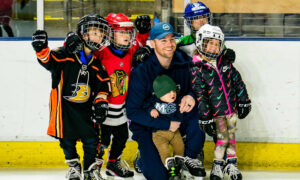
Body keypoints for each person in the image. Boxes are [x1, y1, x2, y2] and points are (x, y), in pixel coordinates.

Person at [31, 14, 111, 180]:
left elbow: (103, 86)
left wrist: (101, 103)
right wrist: (41, 49)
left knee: (91, 141)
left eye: (101, 34)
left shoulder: (96, 65)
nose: (99, 37)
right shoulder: (64, 55)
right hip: (64, 111)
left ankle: (90, 169)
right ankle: (74, 167)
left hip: (86, 111)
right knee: (66, 142)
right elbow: (48, 61)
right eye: (95, 32)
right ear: (83, 34)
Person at [126, 22, 206, 180]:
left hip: (177, 117)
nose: (169, 44)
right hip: (151, 126)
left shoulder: (185, 62)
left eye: (171, 39)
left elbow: (199, 87)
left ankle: (189, 157)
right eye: (163, 40)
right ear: (152, 43)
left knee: (202, 110)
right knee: (159, 176)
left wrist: (191, 95)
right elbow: (133, 112)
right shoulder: (142, 71)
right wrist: (165, 125)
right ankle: (144, 159)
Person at [190, 24, 251, 180]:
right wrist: (205, 116)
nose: (213, 48)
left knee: (231, 139)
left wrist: (244, 100)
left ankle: (231, 164)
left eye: (217, 44)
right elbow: (200, 95)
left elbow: (238, 82)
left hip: (231, 111)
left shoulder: (225, 63)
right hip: (217, 113)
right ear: (200, 43)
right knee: (222, 140)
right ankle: (217, 166)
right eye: (209, 43)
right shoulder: (198, 68)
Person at [147, 75, 185, 179]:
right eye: (168, 92)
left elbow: (180, 115)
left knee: (180, 147)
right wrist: (151, 110)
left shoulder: (177, 101)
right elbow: (146, 104)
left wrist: (181, 111)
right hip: (159, 134)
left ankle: (178, 165)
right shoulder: (154, 101)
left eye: (173, 91)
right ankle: (171, 169)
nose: (172, 94)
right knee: (165, 151)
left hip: (174, 132)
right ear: (159, 94)